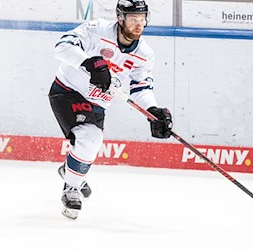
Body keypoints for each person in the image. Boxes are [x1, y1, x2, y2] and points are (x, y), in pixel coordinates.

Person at [48, 0, 173, 219]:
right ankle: (71, 188)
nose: (138, 25)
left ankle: (71, 171)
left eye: (142, 19)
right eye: (133, 19)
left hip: (97, 103)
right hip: (68, 91)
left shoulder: (144, 54)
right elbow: (62, 47)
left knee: (89, 144)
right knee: (90, 139)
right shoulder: (96, 30)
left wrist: (152, 111)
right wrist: (89, 62)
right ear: (120, 18)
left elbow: (141, 88)